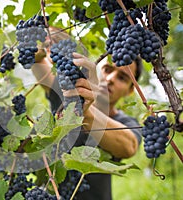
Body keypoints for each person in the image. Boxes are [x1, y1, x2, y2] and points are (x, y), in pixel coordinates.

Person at [31, 27, 143, 200]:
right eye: (107, 69)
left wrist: (85, 112)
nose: (111, 78)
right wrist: (39, 49)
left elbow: (128, 146)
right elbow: (39, 65)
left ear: (130, 91)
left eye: (122, 77)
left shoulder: (125, 121)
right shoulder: (68, 95)